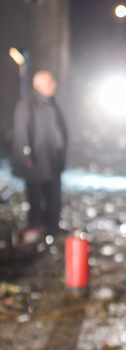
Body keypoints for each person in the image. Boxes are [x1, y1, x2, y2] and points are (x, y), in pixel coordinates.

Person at [12, 70, 68, 237]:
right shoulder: (27, 104)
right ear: (38, 85)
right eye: (50, 82)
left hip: (52, 160)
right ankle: (35, 226)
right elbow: (22, 132)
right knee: (36, 196)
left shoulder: (51, 103)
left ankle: (52, 226)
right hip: (37, 161)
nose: (54, 85)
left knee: (53, 195)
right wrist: (27, 157)